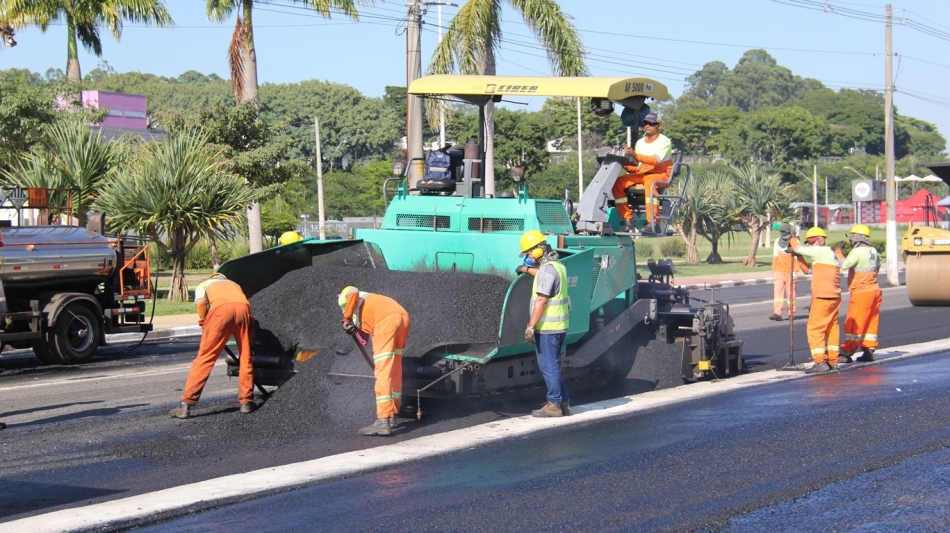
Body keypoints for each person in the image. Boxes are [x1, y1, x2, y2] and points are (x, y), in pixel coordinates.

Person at [170, 273, 255, 419]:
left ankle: (186, 405)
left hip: (220, 313)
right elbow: (243, 303)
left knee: (205, 358)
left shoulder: (204, 285)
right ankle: (246, 403)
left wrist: (204, 322)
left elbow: (201, 304)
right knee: (245, 357)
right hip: (243, 311)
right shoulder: (234, 284)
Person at [339, 286, 411, 436]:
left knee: (383, 370)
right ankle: (393, 415)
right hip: (403, 318)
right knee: (395, 368)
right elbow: (365, 335)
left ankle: (383, 420)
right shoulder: (370, 304)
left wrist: (346, 318)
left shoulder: (352, 294)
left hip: (386, 323)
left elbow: (352, 291)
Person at [516, 230, 571, 417]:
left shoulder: (547, 271)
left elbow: (541, 300)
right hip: (559, 327)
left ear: (539, 251)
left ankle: (553, 405)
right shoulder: (557, 266)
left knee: (548, 366)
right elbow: (543, 275)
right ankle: (563, 403)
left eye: (529, 253)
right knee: (552, 364)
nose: (528, 257)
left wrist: (530, 326)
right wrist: (527, 270)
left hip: (548, 328)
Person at [784, 227, 844, 374]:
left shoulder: (821, 251)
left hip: (822, 297)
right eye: (809, 243)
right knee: (832, 328)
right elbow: (809, 271)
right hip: (834, 297)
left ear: (821, 240)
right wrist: (799, 257)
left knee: (815, 328)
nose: (810, 245)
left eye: (812, 242)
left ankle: (820, 362)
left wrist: (791, 238)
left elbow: (798, 247)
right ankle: (833, 361)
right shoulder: (829, 255)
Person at [611, 112, 673, 234]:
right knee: (618, 182)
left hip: (662, 175)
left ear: (659, 126)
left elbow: (655, 160)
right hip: (644, 174)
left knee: (650, 181)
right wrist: (623, 159)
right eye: (645, 123)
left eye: (652, 123)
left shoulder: (664, 141)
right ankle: (628, 219)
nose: (647, 125)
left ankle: (653, 223)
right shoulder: (640, 142)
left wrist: (635, 155)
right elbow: (639, 167)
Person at [837, 224, 881, 363]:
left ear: (857, 238)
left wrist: (838, 252)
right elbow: (877, 268)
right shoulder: (873, 251)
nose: (851, 241)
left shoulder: (857, 252)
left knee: (854, 323)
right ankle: (869, 350)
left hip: (861, 293)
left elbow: (844, 265)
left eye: (852, 238)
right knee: (870, 322)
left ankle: (847, 352)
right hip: (874, 291)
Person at [770, 222, 809, 321]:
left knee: (791, 294)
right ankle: (777, 313)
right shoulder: (777, 241)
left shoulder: (795, 241)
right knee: (778, 293)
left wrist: (795, 271)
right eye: (781, 231)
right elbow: (775, 257)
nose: (783, 234)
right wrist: (774, 271)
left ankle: (791, 313)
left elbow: (798, 258)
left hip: (791, 272)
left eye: (784, 231)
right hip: (779, 271)